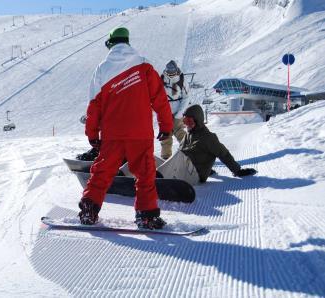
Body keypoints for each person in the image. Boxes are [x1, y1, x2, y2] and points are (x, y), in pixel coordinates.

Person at [78, 27, 174, 230]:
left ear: (111, 44)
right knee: (145, 175)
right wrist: (166, 126)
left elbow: (94, 105)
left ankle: (89, 210)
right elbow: (160, 99)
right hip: (140, 134)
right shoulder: (144, 65)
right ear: (127, 42)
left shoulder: (102, 69)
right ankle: (146, 216)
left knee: (102, 173)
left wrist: (92, 133)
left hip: (112, 134)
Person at [178, 104, 256, 183]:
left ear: (198, 120)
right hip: (185, 169)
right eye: (185, 121)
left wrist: (237, 170)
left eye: (189, 121)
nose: (187, 124)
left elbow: (223, 154)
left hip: (194, 176)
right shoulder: (189, 134)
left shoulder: (207, 137)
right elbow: (181, 152)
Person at [159, 60, 190, 160]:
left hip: (178, 112)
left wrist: (179, 114)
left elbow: (186, 97)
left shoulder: (181, 79)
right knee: (165, 136)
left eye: (173, 71)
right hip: (165, 113)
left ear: (176, 70)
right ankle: (165, 158)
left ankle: (189, 154)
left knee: (180, 133)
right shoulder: (162, 79)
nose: (171, 73)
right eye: (170, 71)